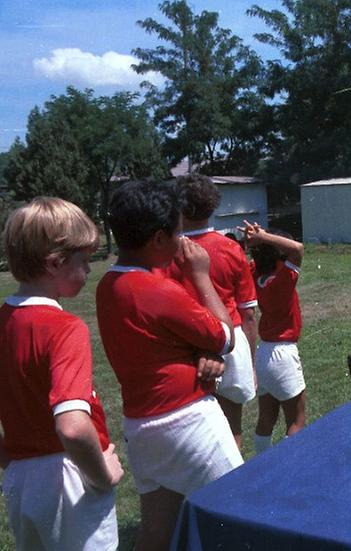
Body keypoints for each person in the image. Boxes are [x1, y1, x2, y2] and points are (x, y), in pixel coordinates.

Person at [97, 180, 243, 550]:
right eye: (178, 233)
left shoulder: (108, 285)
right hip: (187, 422)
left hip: (142, 426)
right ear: (159, 238)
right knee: (239, 512)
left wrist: (196, 351)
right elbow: (226, 336)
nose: (183, 242)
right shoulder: (158, 291)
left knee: (157, 531)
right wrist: (200, 275)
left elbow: (161, 338)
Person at [0, 197, 124, 550]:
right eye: (83, 262)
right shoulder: (64, 328)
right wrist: (102, 475)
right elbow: (71, 425)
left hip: (23, 479)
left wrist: (13, 463)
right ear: (55, 264)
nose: (87, 271)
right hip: (71, 477)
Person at [164, 174, 258, 449]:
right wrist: (251, 361)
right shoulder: (230, 248)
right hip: (230, 340)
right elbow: (248, 313)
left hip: (186, 346)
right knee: (232, 431)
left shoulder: (167, 252)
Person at [241, 223, 307, 450]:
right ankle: (293, 468)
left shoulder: (255, 273)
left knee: (266, 419)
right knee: (297, 420)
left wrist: (257, 241)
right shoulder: (283, 279)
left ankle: (262, 464)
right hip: (284, 353)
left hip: (264, 353)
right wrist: (265, 237)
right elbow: (297, 249)